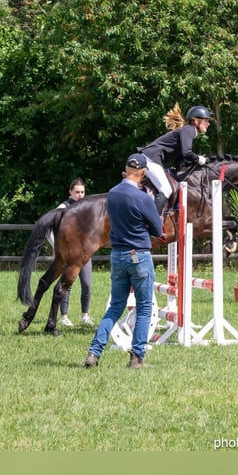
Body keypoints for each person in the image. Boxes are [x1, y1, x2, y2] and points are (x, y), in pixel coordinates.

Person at [84, 154, 163, 369]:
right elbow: (158, 230)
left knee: (116, 306)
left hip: (117, 255)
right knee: (145, 306)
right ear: (144, 173)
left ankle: (94, 352)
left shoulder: (113, 193)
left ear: (125, 170)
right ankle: (137, 357)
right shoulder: (143, 197)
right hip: (139, 255)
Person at [139, 104, 213, 214]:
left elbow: (180, 156)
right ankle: (152, 223)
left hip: (151, 158)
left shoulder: (188, 131)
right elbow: (186, 152)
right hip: (150, 158)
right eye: (206, 121)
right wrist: (199, 159)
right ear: (196, 121)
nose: (208, 124)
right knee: (166, 189)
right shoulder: (189, 130)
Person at [47, 177, 94, 327]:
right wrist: (61, 248)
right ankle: (63, 316)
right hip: (68, 254)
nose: (80, 195)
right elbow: (49, 231)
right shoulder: (63, 207)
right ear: (70, 192)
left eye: (82, 192)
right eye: (77, 192)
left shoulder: (87, 207)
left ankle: (85, 315)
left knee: (87, 284)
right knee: (67, 284)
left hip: (85, 253)